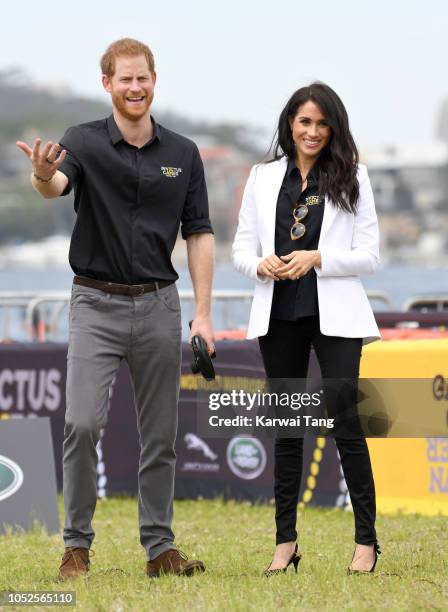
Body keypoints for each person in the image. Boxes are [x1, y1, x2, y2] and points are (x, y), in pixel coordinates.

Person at [16, 38, 215, 579]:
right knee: (81, 425)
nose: (135, 88)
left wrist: (202, 313)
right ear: (107, 84)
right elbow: (54, 185)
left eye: (142, 78)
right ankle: (75, 548)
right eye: (124, 79)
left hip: (159, 306)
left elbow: (199, 234)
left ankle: (160, 551)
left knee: (161, 437)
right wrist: (39, 172)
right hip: (95, 304)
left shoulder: (183, 154)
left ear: (155, 80)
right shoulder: (81, 141)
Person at [232, 82, 381, 575]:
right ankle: (285, 543)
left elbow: (370, 256)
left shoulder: (353, 176)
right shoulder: (262, 176)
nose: (312, 131)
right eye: (304, 122)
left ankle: (366, 543)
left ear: (332, 127)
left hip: (335, 313)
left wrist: (319, 258)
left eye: (321, 123)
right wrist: (262, 265)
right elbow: (240, 251)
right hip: (279, 314)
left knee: (347, 425)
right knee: (287, 431)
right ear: (290, 125)